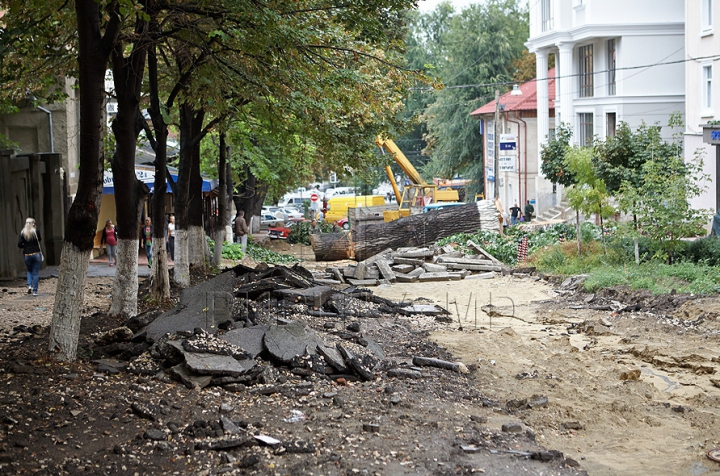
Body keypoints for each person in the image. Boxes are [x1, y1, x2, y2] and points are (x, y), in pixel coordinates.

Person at [18, 217, 42, 296]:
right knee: (35, 273)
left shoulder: (23, 233)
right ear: (33, 224)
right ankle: (34, 291)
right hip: (36, 254)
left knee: (29, 270)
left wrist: (25, 245)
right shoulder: (36, 232)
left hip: (27, 255)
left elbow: (19, 244)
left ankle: (29, 285)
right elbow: (39, 240)